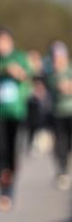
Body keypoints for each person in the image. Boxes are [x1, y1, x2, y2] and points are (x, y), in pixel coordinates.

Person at [0, 27, 32, 211]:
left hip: (16, 112)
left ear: (10, 41)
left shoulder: (20, 57)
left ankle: (10, 187)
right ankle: (1, 187)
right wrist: (7, 69)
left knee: (12, 150)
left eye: (3, 41)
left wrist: (20, 73)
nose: (1, 45)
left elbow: (28, 74)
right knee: (0, 149)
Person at [46, 40, 72, 190]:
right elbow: (56, 86)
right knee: (60, 144)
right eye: (55, 57)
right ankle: (62, 172)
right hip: (58, 113)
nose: (58, 60)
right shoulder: (51, 73)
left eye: (60, 57)